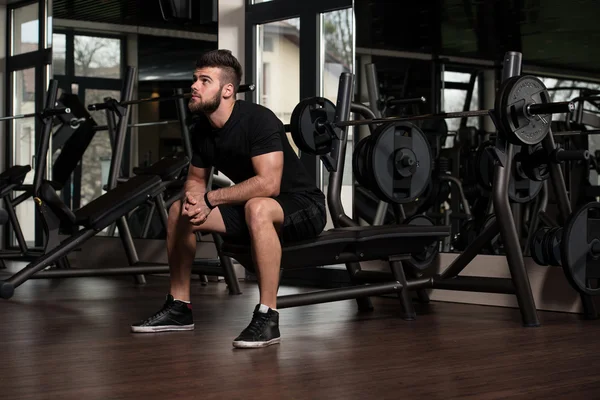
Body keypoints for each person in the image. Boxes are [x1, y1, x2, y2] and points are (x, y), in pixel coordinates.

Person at [130, 49, 327, 349]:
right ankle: (180, 307)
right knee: (177, 212)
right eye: (195, 79)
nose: (194, 86)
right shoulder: (202, 130)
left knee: (257, 206)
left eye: (204, 80)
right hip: (252, 209)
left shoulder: (258, 120)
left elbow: (269, 184)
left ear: (227, 90)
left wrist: (212, 198)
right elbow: (196, 180)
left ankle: (267, 316)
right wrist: (196, 202)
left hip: (303, 206)